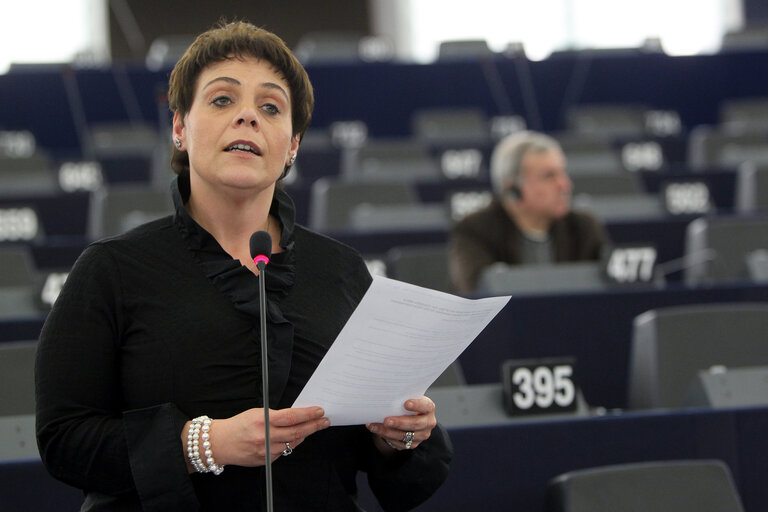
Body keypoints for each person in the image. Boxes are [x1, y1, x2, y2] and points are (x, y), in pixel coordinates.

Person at [35, 20, 452, 511]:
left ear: (292, 145)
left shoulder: (340, 270)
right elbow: (64, 438)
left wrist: (397, 436)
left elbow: (389, 468)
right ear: (179, 128)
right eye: (221, 100)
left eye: (270, 107)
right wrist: (204, 445)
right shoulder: (111, 270)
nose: (248, 118)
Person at [449, 130, 607, 293]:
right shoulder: (475, 231)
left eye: (562, 173)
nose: (564, 185)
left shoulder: (583, 228)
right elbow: (478, 290)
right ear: (513, 190)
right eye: (549, 176)